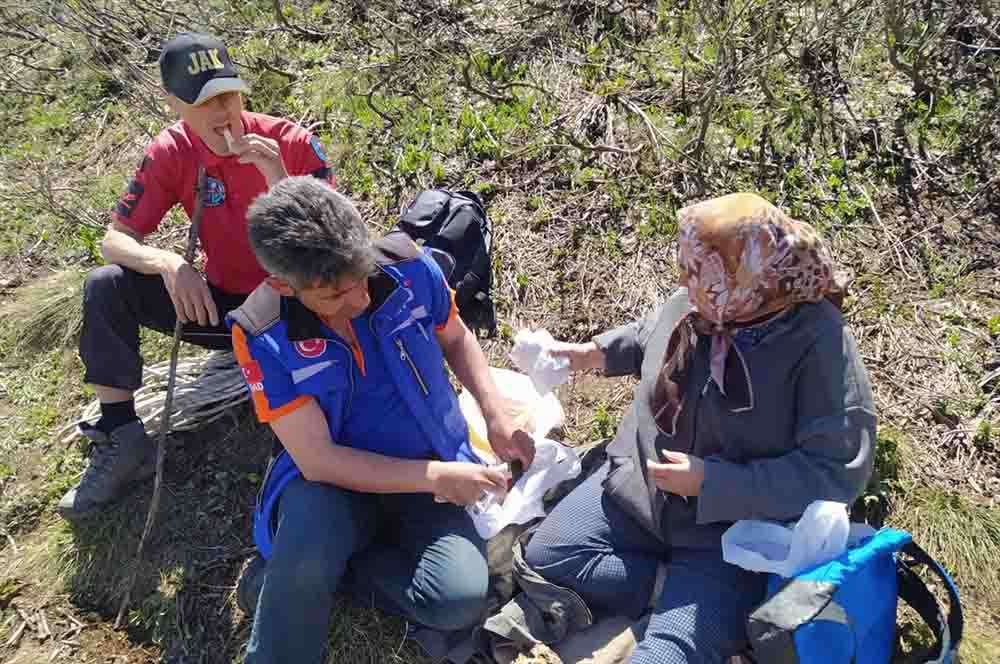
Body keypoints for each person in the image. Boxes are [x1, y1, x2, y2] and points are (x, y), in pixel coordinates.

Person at [522, 193, 876, 664]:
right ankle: (666, 591)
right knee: (550, 555)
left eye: (701, 275)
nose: (686, 286)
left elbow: (835, 472)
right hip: (638, 491)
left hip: (727, 535)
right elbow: (649, 332)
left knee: (663, 656)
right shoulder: (703, 300)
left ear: (751, 281)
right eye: (687, 270)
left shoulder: (818, 343)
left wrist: (714, 482)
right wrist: (591, 353)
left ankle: (690, 611)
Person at [226, 176, 534, 663]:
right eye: (334, 297)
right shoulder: (262, 332)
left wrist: (495, 415)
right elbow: (319, 460)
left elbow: (454, 337)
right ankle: (301, 577)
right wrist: (436, 477)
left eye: (361, 279)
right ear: (283, 285)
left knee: (456, 599)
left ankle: (302, 580)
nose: (360, 301)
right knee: (310, 535)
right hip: (334, 488)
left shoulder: (410, 266)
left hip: (429, 470)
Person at [59, 32, 335, 519]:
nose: (221, 110)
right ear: (174, 105)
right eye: (203, 100)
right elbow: (113, 240)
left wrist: (278, 180)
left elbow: (337, 246)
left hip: (298, 307)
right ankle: (122, 438)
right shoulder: (173, 150)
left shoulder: (287, 142)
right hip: (224, 311)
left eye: (228, 93)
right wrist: (169, 263)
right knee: (106, 285)